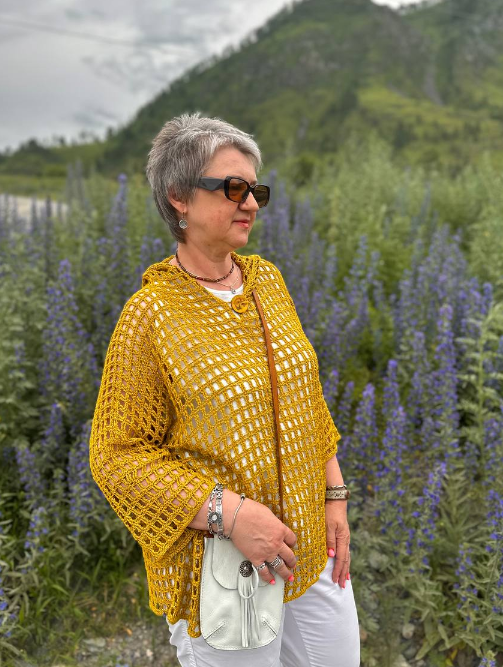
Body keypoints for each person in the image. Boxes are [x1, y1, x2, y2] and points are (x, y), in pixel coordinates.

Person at [89, 112, 360, 666]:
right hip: (221, 569)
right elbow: (117, 457)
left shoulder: (267, 282)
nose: (252, 203)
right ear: (179, 197)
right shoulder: (151, 315)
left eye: (256, 189)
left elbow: (307, 401)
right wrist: (232, 515)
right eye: (234, 188)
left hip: (310, 547)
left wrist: (334, 495)